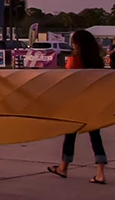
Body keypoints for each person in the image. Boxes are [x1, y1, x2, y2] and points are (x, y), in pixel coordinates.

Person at [46, 30, 109, 184]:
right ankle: (100, 172)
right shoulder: (97, 61)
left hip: (76, 102)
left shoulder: (74, 60)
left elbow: (68, 81)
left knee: (70, 135)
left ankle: (63, 167)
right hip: (93, 101)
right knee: (95, 136)